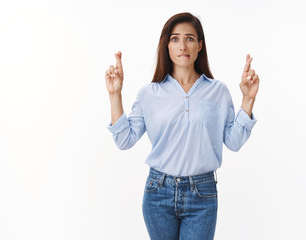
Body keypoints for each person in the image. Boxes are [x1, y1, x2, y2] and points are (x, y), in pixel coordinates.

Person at [105, 12, 259, 240]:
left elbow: (234, 142)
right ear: (166, 45)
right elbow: (124, 140)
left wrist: (248, 100)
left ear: (200, 45)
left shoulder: (217, 91)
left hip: (202, 193)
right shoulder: (149, 93)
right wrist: (115, 94)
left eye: (189, 38)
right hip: (158, 193)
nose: (182, 45)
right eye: (175, 39)